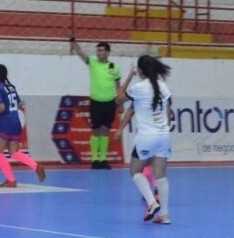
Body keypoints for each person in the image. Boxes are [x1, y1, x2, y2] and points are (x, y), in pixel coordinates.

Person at [117, 55, 173, 224]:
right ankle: (164, 214)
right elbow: (169, 111)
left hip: (147, 136)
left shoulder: (139, 87)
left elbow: (118, 99)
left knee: (135, 171)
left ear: (140, 70)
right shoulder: (163, 86)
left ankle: (151, 202)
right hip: (164, 134)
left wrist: (129, 76)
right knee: (161, 176)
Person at [0, 63, 45, 188]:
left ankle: (11, 180)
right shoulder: (11, 87)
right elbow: (19, 104)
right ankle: (36, 166)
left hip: (4, 123)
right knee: (14, 152)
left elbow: (1, 107)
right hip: (16, 123)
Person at [69, 38, 121, 169]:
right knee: (96, 130)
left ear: (108, 52)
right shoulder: (92, 63)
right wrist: (72, 41)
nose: (99, 53)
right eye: (98, 51)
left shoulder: (115, 67)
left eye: (102, 51)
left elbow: (118, 86)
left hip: (109, 103)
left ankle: (103, 159)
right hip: (96, 103)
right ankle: (95, 160)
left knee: (105, 130)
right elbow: (80, 52)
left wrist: (120, 104)